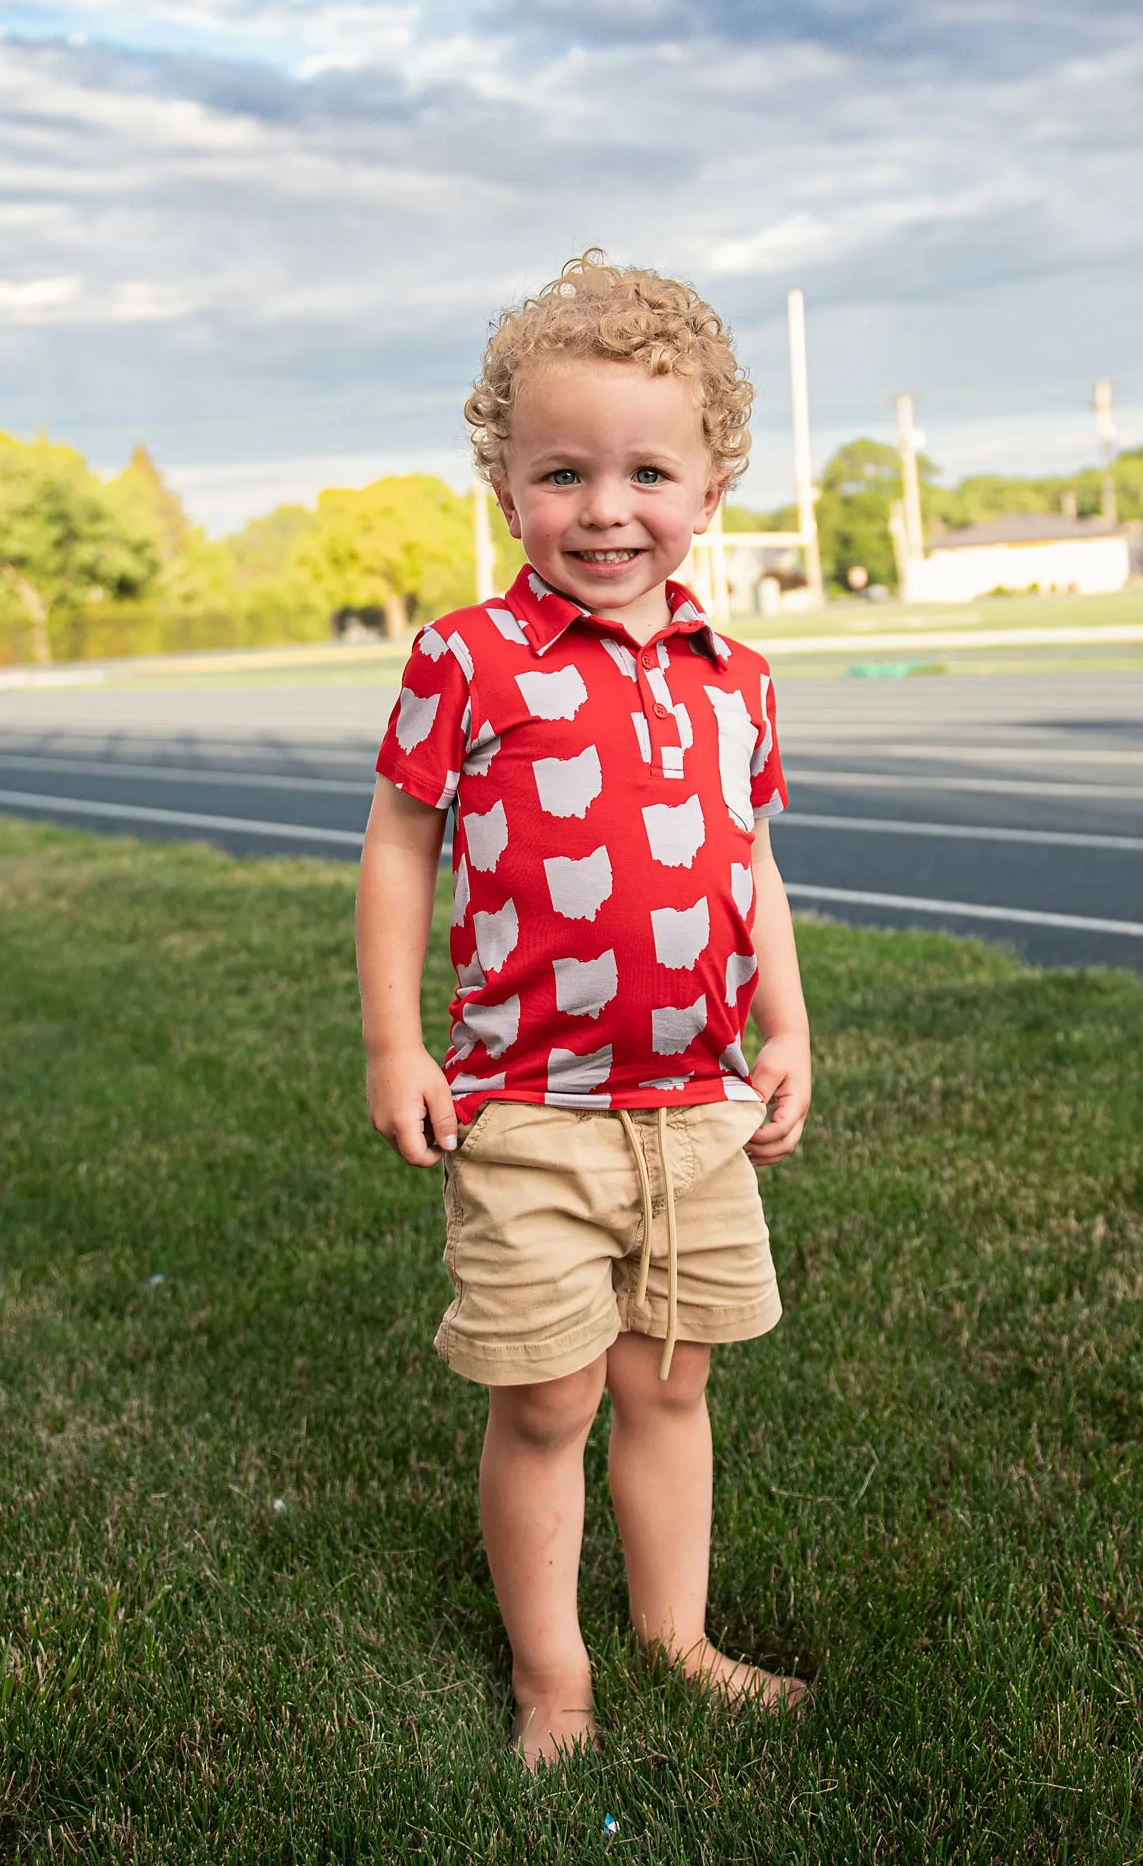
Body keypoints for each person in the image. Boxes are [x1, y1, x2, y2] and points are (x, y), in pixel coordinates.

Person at [356, 251, 812, 1767]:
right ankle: (553, 1675)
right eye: (563, 473)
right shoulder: (467, 661)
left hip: (693, 1104)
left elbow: (750, 864)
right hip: (531, 1106)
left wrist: (786, 1034)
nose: (606, 509)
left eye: (646, 472)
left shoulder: (734, 679)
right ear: (504, 484)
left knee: (670, 1387)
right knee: (549, 1396)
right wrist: (395, 1040)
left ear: (712, 484)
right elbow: (399, 845)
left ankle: (674, 1639)